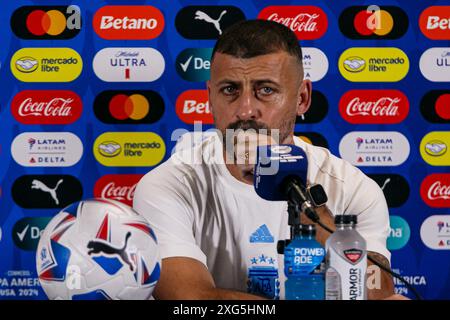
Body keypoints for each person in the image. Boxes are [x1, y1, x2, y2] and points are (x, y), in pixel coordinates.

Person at [133, 19, 403, 300]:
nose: (246, 110)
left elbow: (377, 293)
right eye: (230, 90)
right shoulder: (168, 185)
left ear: (302, 99)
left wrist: (311, 209)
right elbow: (191, 299)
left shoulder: (352, 187)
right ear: (210, 99)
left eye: (266, 90)